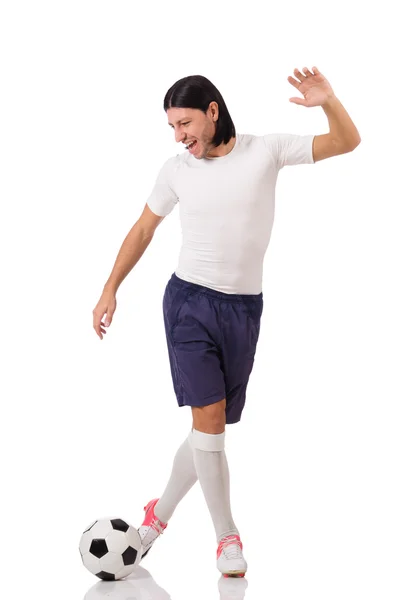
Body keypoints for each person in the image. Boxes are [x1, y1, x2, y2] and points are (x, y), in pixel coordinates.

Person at [92, 67, 361, 578]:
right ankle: (227, 537)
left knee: (207, 431)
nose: (179, 136)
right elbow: (144, 228)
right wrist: (110, 288)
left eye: (186, 122)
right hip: (189, 304)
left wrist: (329, 101)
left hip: (244, 310)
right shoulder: (175, 170)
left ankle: (157, 516)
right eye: (172, 127)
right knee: (210, 423)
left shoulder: (266, 150)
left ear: (213, 111)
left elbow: (348, 141)